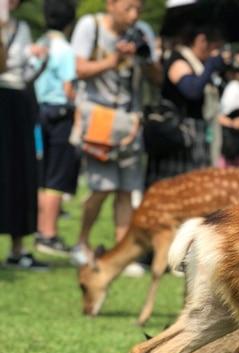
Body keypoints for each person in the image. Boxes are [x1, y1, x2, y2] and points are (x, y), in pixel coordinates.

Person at [70, 0, 160, 260]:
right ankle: (82, 242)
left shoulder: (143, 31)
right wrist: (114, 60)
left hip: (129, 121)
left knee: (126, 190)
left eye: (138, 10)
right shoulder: (91, 26)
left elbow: (157, 79)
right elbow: (77, 69)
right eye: (128, 8)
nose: (133, 15)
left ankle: (121, 252)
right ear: (111, 4)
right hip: (98, 119)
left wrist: (144, 58)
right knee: (102, 187)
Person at [146, 26, 224, 184]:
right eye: (215, 46)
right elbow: (191, 90)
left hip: (197, 136)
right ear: (201, 40)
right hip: (178, 137)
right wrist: (209, 66)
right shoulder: (178, 60)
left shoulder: (199, 65)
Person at [34, 0, 81, 259]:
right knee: (56, 177)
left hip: (38, 112)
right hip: (61, 115)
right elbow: (68, 88)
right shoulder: (65, 49)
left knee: (42, 174)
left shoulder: (40, 44)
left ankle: (40, 228)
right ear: (69, 21)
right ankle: (48, 234)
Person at [1, 0, 46, 269]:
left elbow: (26, 70)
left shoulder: (22, 28)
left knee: (19, 173)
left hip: (17, 103)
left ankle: (18, 248)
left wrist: (38, 59)